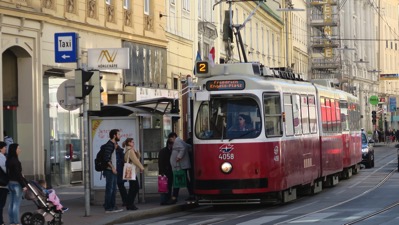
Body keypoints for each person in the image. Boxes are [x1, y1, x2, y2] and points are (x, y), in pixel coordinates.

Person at [168, 132, 195, 204]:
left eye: (171, 138)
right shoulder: (180, 141)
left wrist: (179, 157)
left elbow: (182, 148)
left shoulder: (177, 141)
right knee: (185, 180)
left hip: (179, 165)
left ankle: (174, 197)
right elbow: (188, 146)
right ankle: (191, 194)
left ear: (174, 137)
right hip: (182, 165)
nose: (170, 140)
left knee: (177, 180)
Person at [102, 129, 123, 213]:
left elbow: (121, 152)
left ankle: (113, 206)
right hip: (109, 170)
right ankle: (108, 207)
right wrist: (113, 168)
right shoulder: (109, 145)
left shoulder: (115, 144)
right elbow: (106, 158)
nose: (120, 136)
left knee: (114, 189)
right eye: (118, 134)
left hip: (113, 170)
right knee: (110, 189)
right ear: (114, 135)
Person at [6, 143, 27, 225]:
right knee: (16, 204)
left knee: (11, 204)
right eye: (18, 148)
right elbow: (18, 174)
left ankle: (12, 222)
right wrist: (23, 185)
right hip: (17, 184)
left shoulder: (8, 160)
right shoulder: (16, 161)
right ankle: (16, 222)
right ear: (14, 150)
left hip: (10, 183)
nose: (20, 150)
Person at [123, 138, 144, 210]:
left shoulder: (129, 150)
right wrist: (141, 167)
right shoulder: (130, 150)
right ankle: (130, 204)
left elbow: (136, 158)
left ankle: (129, 204)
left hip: (130, 170)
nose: (133, 143)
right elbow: (135, 161)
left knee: (133, 187)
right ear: (129, 143)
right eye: (132, 142)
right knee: (135, 188)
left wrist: (137, 153)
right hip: (131, 171)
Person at [158, 140, 173, 205]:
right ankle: (163, 200)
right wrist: (162, 171)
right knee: (164, 186)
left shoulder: (171, 150)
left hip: (169, 171)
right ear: (169, 144)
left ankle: (167, 199)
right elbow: (160, 162)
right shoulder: (163, 151)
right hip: (165, 171)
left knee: (168, 186)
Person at [0, 142, 8, 225]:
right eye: (4, 147)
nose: (5, 148)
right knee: (1, 204)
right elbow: (6, 169)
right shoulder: (1, 157)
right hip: (2, 184)